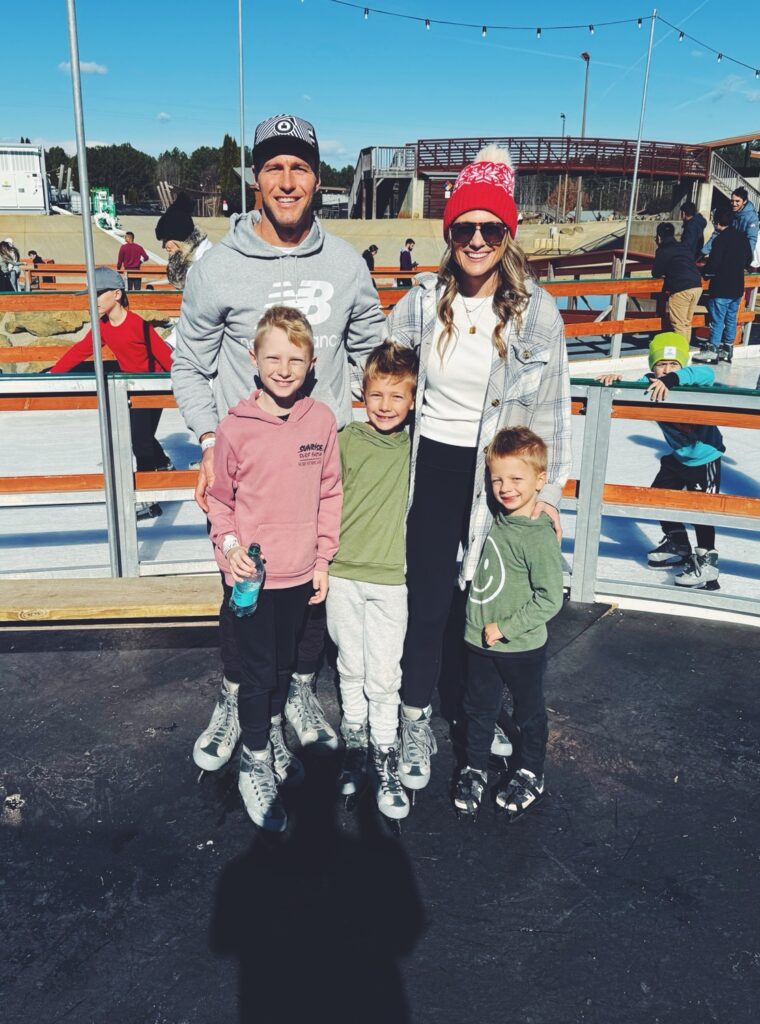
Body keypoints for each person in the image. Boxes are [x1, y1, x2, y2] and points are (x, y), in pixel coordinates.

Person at [172, 113, 385, 758]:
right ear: (255, 179)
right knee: (243, 587)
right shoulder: (219, 267)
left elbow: (375, 347)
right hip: (253, 469)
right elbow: (190, 360)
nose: (287, 181)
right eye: (273, 168)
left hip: (321, 460)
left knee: (313, 589)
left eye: (299, 168)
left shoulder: (346, 264)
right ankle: (238, 696)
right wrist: (211, 437)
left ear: (318, 179)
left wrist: (366, 426)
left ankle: (295, 687)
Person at [385, 144, 571, 793]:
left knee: (486, 599)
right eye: (464, 227)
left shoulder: (536, 313)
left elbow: (550, 405)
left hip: (494, 474)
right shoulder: (417, 304)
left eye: (490, 228)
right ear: (449, 233)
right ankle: (414, 718)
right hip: (432, 465)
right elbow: (384, 386)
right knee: (431, 601)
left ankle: (480, 713)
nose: (476, 239)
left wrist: (547, 494)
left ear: (507, 235)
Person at [201, 306, 342, 831]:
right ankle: (253, 759)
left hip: (302, 573)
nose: (284, 368)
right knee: (258, 675)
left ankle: (272, 736)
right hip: (253, 581)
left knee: (285, 668)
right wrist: (230, 547)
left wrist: (323, 556)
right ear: (253, 358)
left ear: (311, 363)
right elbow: (221, 500)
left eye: (296, 359)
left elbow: (330, 492)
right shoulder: (235, 428)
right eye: (274, 357)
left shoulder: (320, 421)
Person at [326, 341, 417, 821]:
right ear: (362, 394)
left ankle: (386, 750)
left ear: (414, 399)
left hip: (391, 580)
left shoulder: (417, 445)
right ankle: (356, 741)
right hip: (343, 572)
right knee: (351, 665)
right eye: (377, 395)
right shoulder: (348, 439)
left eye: (397, 396)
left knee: (384, 673)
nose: (385, 406)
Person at [453, 427, 563, 821]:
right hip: (477, 640)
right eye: (497, 478)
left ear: (539, 480)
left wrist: (506, 627)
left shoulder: (538, 536)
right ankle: (474, 767)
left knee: (528, 711)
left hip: (518, 645)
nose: (505, 487)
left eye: (517, 479)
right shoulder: (495, 519)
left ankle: (531, 771)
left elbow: (550, 598)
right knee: (478, 707)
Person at [598, 332, 724, 590]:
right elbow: (632, 390)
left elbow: (707, 375)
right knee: (657, 497)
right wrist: (615, 382)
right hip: (678, 457)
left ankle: (707, 562)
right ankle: (677, 543)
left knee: (701, 509)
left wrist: (674, 379)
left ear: (682, 366)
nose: (666, 370)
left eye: (673, 364)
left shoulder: (692, 380)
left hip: (705, 457)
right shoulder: (650, 382)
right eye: (661, 365)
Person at [48, 267, 174, 519]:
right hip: (129, 388)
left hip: (153, 387)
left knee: (140, 440)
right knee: (140, 435)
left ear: (117, 294)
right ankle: (164, 464)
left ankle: (149, 501)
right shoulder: (104, 327)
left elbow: (167, 358)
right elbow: (81, 350)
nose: (91, 300)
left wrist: (179, 386)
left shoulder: (138, 325)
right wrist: (53, 374)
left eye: (97, 294)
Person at [694, 208, 752, 364]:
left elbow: (713, 264)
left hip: (721, 287)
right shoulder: (743, 238)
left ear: (717, 223)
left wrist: (705, 272)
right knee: (731, 318)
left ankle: (712, 349)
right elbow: (749, 259)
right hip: (737, 286)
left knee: (717, 319)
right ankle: (727, 348)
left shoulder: (720, 240)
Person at [651, 222, 703, 342]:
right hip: (696, 285)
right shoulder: (683, 247)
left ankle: (681, 354)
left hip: (681, 288)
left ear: (659, 237)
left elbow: (656, 273)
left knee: (679, 324)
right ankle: (685, 351)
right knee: (686, 323)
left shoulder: (663, 250)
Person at [155, 192, 212, 292]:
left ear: (179, 238)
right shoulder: (191, 260)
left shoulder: (204, 263)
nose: (163, 246)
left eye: (165, 240)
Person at [729, 187, 759, 262]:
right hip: (735, 244)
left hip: (747, 246)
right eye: (732, 201)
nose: (734, 204)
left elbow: (751, 239)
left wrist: (746, 258)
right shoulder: (731, 211)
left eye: (737, 201)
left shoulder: (752, 217)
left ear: (744, 201)